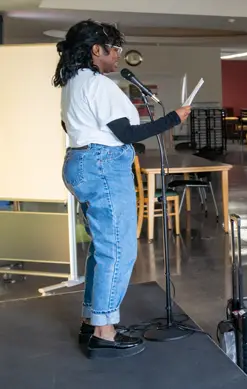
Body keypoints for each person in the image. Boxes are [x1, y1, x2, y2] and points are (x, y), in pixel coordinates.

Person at [56, 20, 191, 358]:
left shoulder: (74, 82)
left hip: (80, 163)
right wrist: (174, 118)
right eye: (113, 48)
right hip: (102, 168)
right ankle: (104, 332)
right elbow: (126, 134)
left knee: (102, 249)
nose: (117, 55)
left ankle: (92, 320)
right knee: (118, 251)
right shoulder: (98, 84)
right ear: (95, 51)